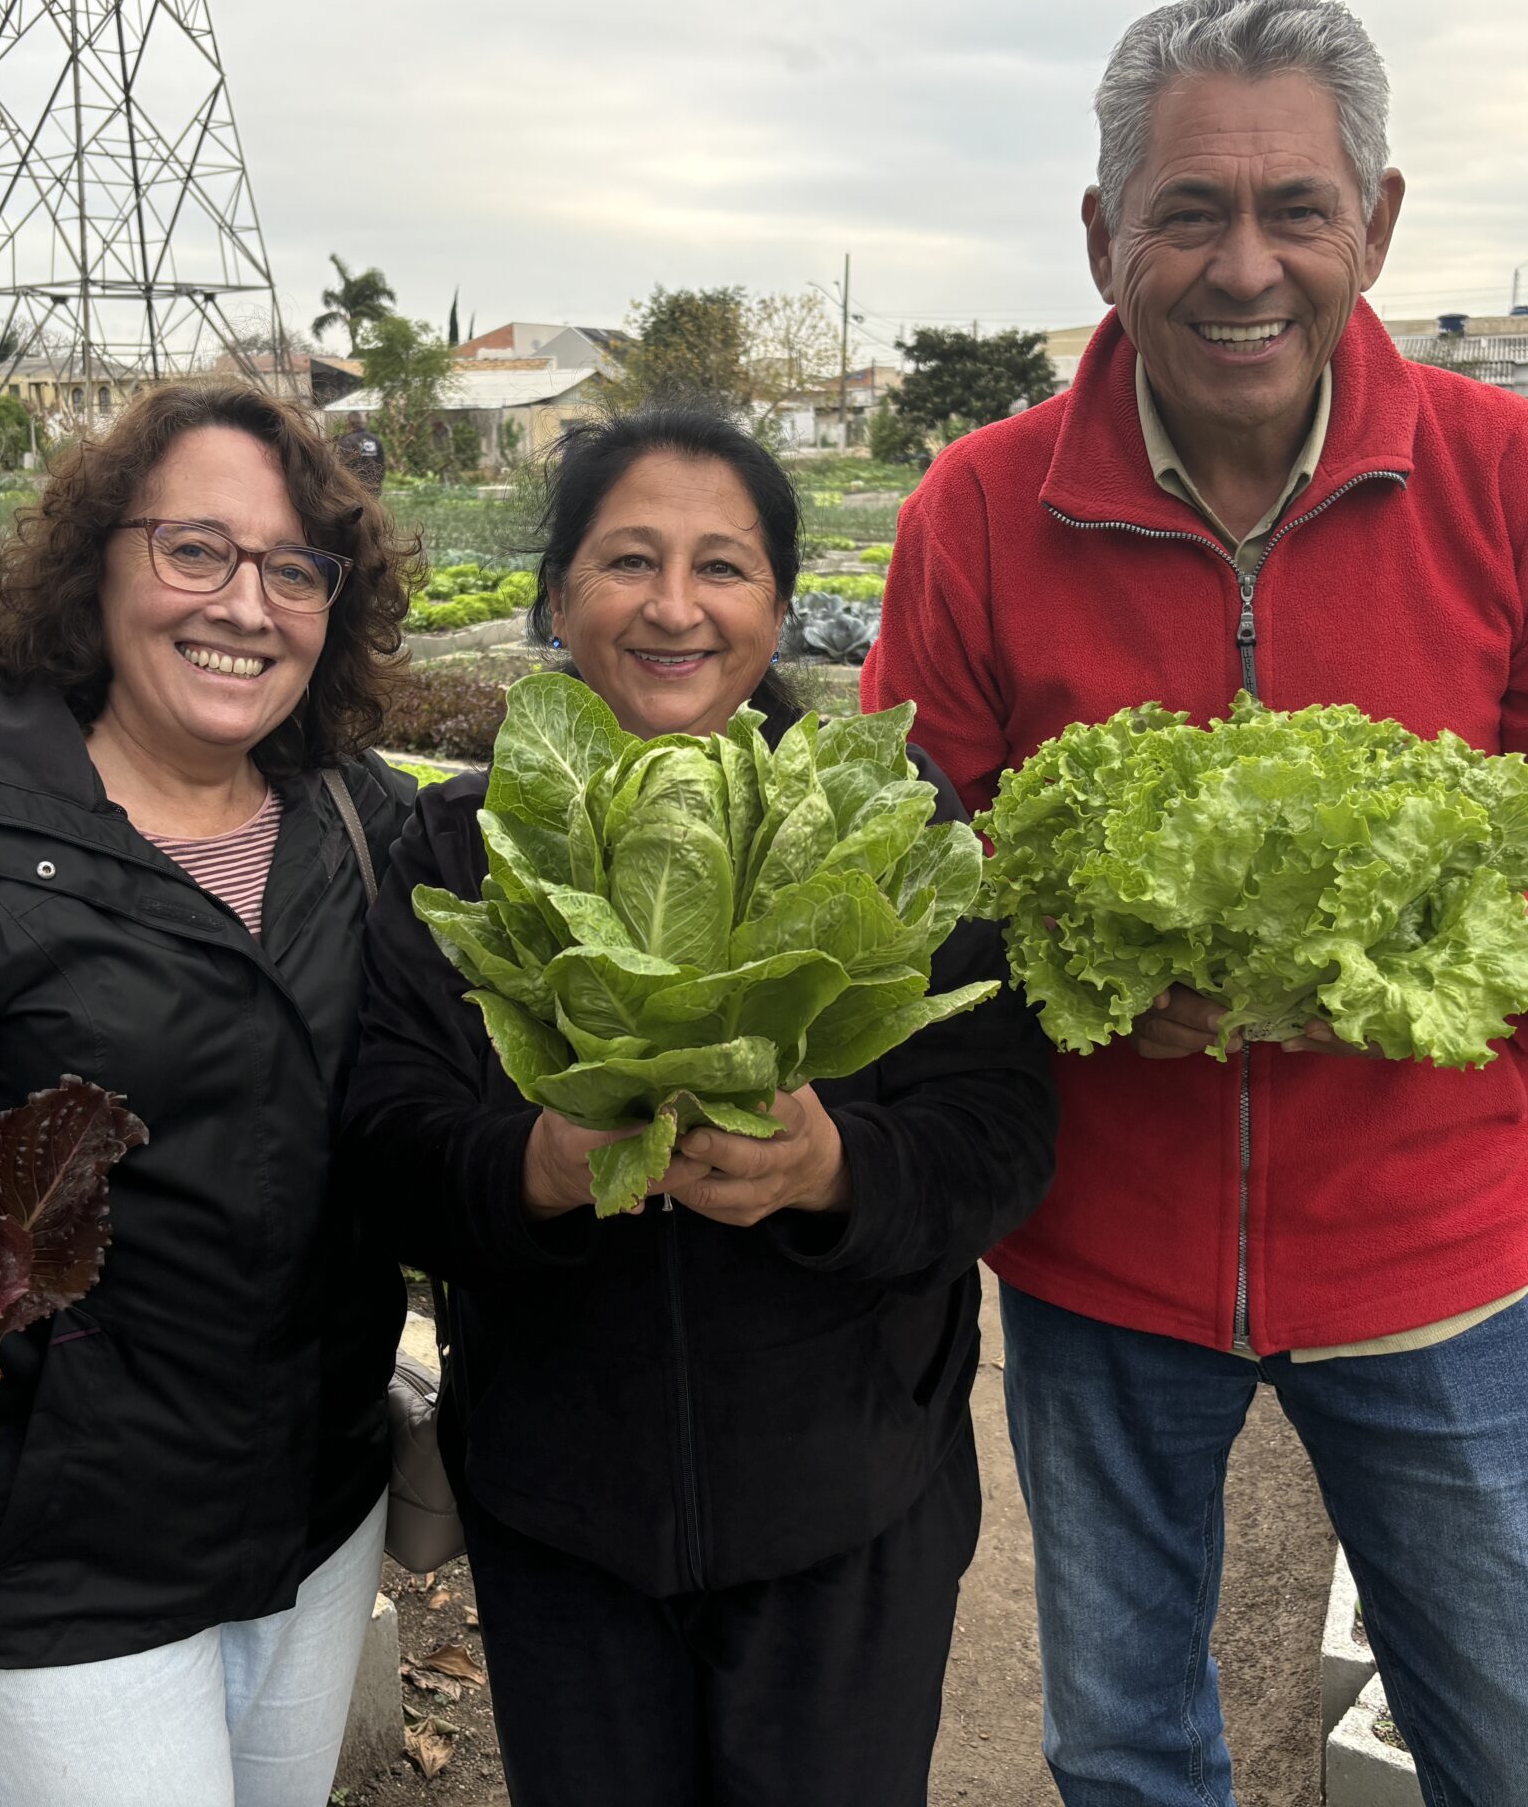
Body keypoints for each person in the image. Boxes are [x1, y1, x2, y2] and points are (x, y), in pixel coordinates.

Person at [864, 0, 1528, 1806]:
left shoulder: (1527, 489)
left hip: (1436, 1251)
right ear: (1106, 240)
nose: (1245, 266)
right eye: (1188, 212)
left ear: (1374, 222)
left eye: (1295, 210)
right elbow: (908, 850)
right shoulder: (981, 511)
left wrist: (1469, 952)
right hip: (1101, 1263)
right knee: (1130, 1753)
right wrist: (1060, 952)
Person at [341, 407, 1059, 1807]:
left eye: (723, 566)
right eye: (628, 561)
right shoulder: (458, 846)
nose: (675, 607)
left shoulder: (888, 818)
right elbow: (385, 1138)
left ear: (780, 603)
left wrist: (836, 1168)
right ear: (559, 598)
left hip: (850, 1512)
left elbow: (1001, 1132)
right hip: (564, 1520)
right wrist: (539, 1167)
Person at [0, 382, 417, 1807]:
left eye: (294, 569)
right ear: (97, 563)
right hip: (40, 1550)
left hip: (309, 1518)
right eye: (196, 550)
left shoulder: (361, 822)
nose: (245, 605)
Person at [336, 415, 386, 494]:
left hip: (355, 487)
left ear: (349, 424)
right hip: (373, 484)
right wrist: (378, 482)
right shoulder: (374, 439)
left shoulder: (347, 440)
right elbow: (381, 462)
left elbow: (343, 465)